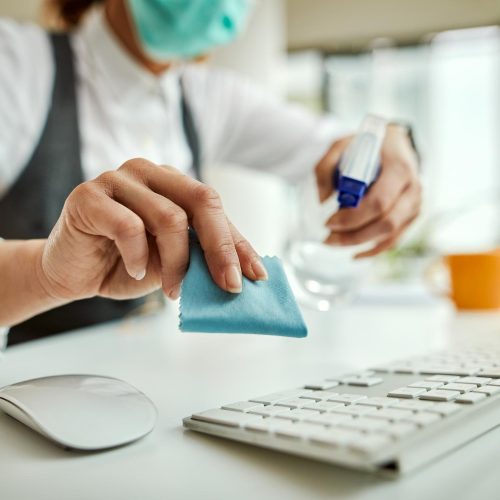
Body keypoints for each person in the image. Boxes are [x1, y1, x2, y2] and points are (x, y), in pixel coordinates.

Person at [0, 0, 421, 345]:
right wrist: (43, 273)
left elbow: (332, 146)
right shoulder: (15, 65)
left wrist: (389, 140)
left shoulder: (207, 96)